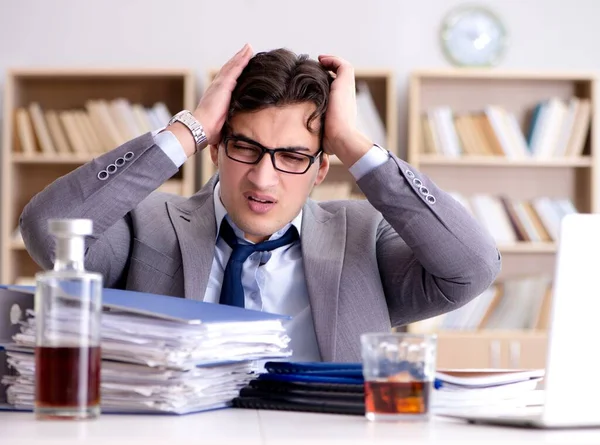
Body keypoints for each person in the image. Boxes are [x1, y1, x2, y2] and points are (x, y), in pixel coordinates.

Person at [20, 44, 501, 362]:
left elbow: (473, 267)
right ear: (215, 148)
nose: (263, 177)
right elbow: (47, 228)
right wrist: (187, 128)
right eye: (246, 148)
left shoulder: (363, 238)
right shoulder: (147, 224)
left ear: (320, 169)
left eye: (292, 156)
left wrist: (353, 143)